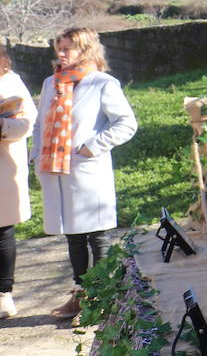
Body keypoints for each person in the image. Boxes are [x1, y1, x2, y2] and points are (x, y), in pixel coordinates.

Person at [31, 27, 137, 321]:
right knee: (73, 236)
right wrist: (36, 153)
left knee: (97, 236)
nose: (61, 54)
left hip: (87, 171)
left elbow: (126, 124)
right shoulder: (51, 83)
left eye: (68, 48)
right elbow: (40, 123)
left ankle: (102, 298)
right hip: (57, 171)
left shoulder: (102, 83)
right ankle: (80, 294)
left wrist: (92, 147)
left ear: (86, 50)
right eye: (59, 48)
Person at [0, 46, 36, 318]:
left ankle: (3, 295)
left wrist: (2, 127)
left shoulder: (10, 80)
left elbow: (27, 122)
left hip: (3, 166)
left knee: (1, 230)